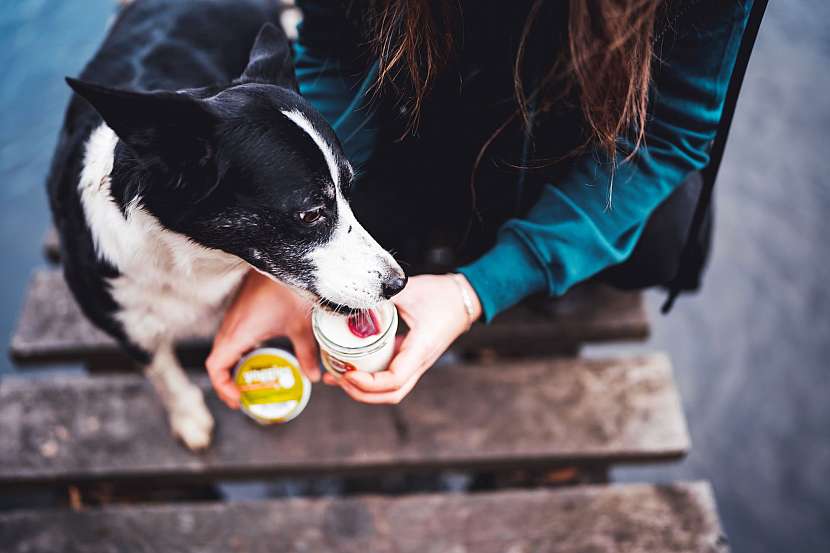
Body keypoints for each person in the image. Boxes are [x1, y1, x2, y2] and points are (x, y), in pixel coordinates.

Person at [205, 0, 754, 406]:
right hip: (420, 109)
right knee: (399, 215)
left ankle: (545, 290)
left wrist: (482, 289)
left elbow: (667, 135)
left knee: (656, 243)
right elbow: (333, 54)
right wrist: (291, 264)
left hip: (594, 141)